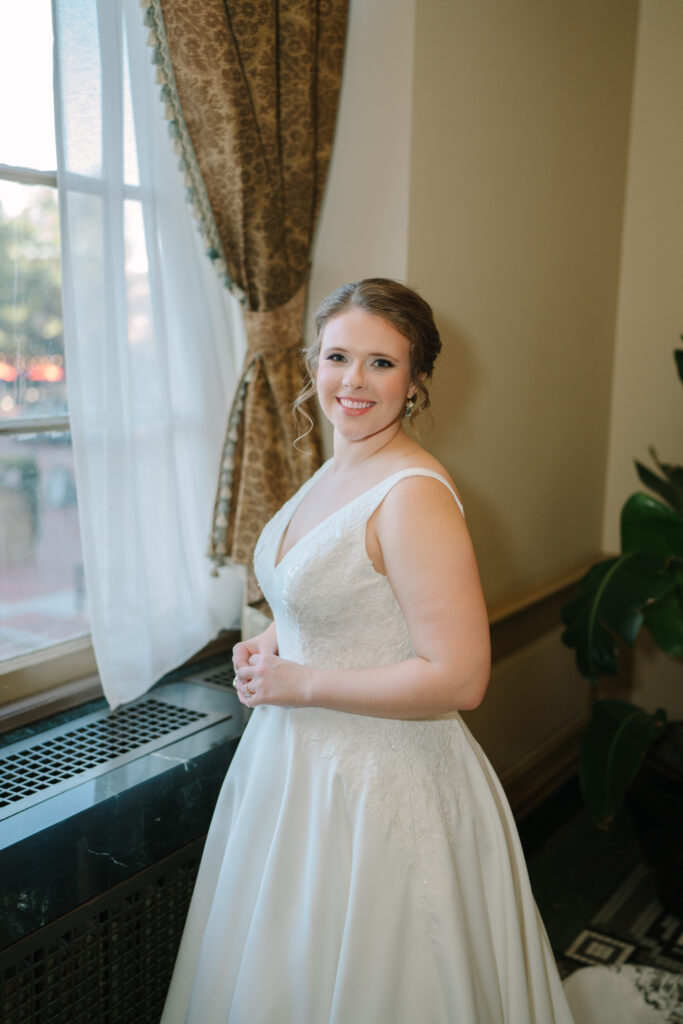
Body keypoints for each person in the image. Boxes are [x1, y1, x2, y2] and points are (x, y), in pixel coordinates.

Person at [161, 278, 574, 1023]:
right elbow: (334, 583)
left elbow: (460, 678)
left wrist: (302, 681)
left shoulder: (412, 493)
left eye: (381, 364)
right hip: (294, 767)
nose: (352, 381)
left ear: (415, 383)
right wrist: (275, 635)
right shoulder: (340, 461)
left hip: (381, 780)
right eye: (337, 357)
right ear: (314, 363)